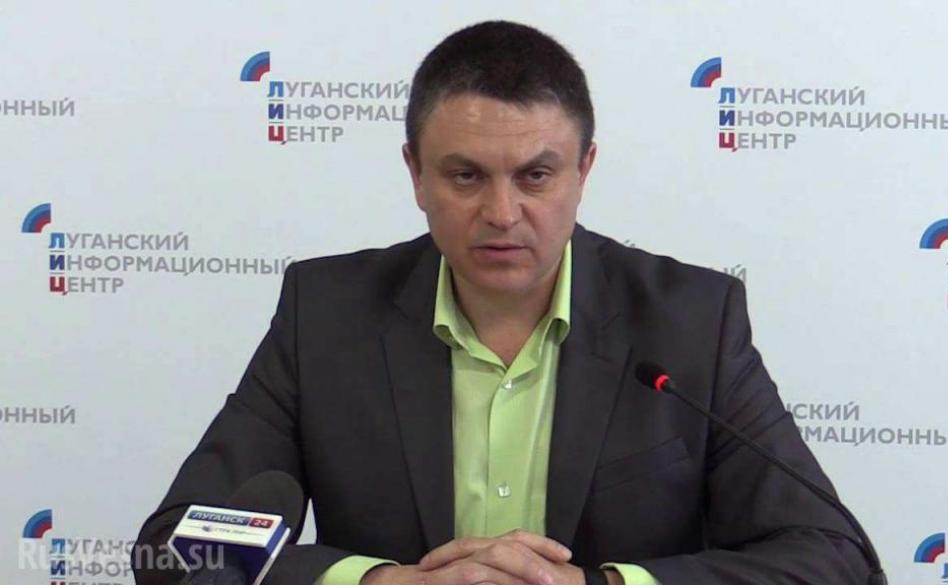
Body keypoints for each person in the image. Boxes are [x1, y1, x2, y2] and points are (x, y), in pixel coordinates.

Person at [134, 20, 872, 585]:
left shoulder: (691, 322)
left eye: (535, 176)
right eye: (465, 176)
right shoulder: (325, 316)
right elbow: (174, 547)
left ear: (584, 171)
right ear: (415, 174)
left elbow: (833, 557)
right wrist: (382, 582)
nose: (501, 212)